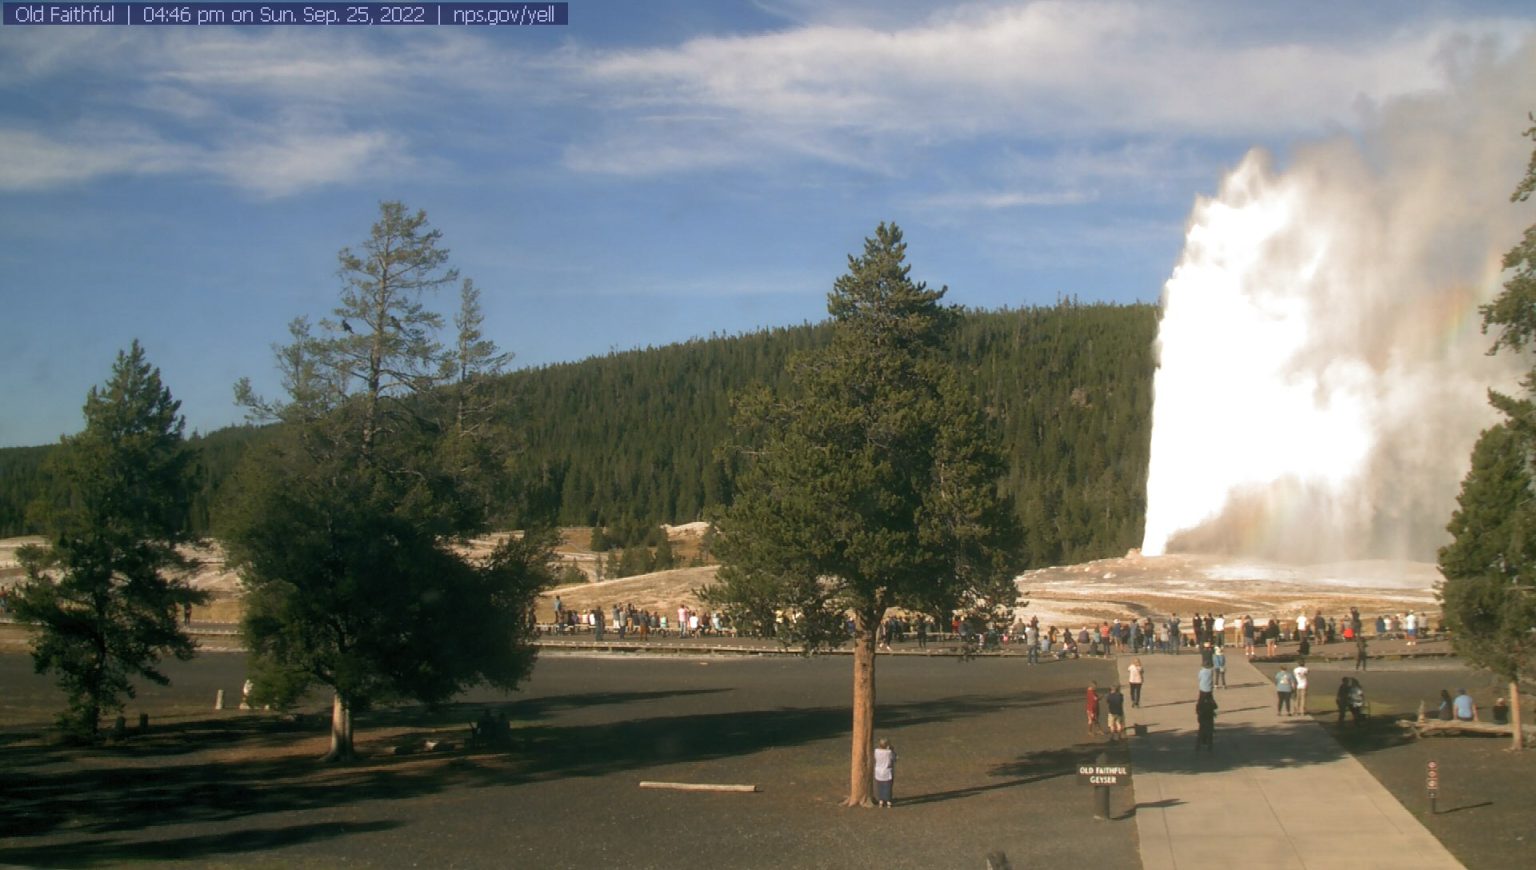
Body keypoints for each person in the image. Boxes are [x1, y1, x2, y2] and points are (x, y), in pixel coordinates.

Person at [873, 737, 896, 807]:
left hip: (878, 771)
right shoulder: (889, 752)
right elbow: (894, 758)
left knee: (880, 786)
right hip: (887, 772)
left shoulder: (876, 751)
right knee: (888, 787)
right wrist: (892, 750)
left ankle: (881, 800)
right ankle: (888, 801)